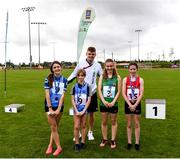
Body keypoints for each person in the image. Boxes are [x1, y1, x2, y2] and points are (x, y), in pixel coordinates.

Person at [68, 46, 103, 140]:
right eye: (89, 54)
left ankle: (90, 132)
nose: (91, 55)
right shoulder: (80, 64)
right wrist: (66, 81)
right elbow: (74, 74)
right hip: (80, 93)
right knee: (79, 112)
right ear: (86, 54)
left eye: (93, 54)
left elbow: (102, 77)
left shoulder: (98, 65)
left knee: (91, 113)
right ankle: (79, 132)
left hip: (92, 92)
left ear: (95, 55)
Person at [44, 61, 67, 156]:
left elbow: (62, 96)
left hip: (59, 106)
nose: (57, 68)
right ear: (52, 70)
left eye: (58, 67)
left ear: (61, 68)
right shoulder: (48, 79)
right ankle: (59, 147)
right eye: (55, 67)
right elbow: (47, 94)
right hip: (49, 105)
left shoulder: (65, 80)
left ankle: (50, 145)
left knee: (55, 127)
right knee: (53, 127)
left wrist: (58, 109)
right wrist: (50, 108)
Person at [98, 59, 121, 149]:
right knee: (104, 122)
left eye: (111, 66)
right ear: (105, 67)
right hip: (104, 103)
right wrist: (104, 101)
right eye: (107, 66)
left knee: (113, 122)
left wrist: (113, 102)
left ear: (114, 66)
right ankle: (104, 139)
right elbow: (99, 89)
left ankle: (113, 140)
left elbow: (119, 91)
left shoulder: (117, 77)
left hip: (113, 104)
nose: (109, 68)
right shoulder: (102, 77)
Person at [122, 62, 144, 151]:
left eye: (134, 69)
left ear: (137, 69)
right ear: (128, 70)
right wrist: (130, 104)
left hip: (137, 104)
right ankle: (129, 142)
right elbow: (123, 93)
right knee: (128, 124)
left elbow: (141, 93)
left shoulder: (141, 80)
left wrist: (135, 104)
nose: (132, 70)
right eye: (131, 69)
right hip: (128, 103)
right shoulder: (125, 80)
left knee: (137, 123)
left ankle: (137, 142)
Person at [71, 69, 91, 151]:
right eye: (79, 75)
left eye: (82, 75)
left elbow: (89, 99)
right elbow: (72, 99)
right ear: (77, 76)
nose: (80, 77)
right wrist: (76, 110)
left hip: (84, 109)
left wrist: (83, 110)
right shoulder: (74, 86)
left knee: (83, 125)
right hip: (76, 109)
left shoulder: (88, 86)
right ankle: (76, 143)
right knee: (76, 126)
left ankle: (82, 142)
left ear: (84, 76)